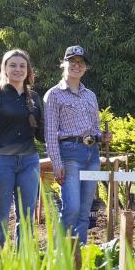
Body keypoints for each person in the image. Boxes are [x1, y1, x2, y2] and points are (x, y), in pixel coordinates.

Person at [43, 45, 112, 245]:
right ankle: (57, 254)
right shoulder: (54, 95)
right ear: (64, 64)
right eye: (72, 62)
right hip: (70, 155)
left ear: (85, 68)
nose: (76, 66)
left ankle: (78, 258)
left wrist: (102, 137)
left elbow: (95, 129)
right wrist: (57, 164)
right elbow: (50, 133)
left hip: (92, 155)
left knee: (84, 212)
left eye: (80, 63)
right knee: (71, 209)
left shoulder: (90, 95)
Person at [0, 49, 44, 247]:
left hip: (29, 161)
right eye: (13, 65)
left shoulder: (34, 97)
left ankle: (22, 261)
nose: (18, 69)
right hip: (0, 162)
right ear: (5, 69)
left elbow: (41, 135)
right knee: (0, 216)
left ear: (28, 70)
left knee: (26, 216)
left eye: (22, 66)